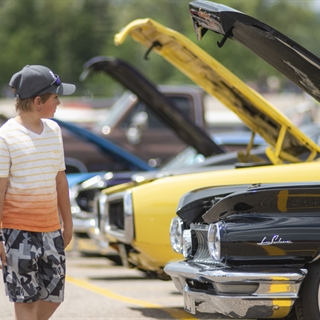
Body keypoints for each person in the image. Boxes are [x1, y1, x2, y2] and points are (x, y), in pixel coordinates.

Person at [0, 65, 76, 320]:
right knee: (25, 299)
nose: (59, 102)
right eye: (55, 97)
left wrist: (68, 223)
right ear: (37, 102)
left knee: (54, 294)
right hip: (16, 233)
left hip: (51, 230)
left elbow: (60, 180)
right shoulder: (6, 137)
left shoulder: (54, 132)